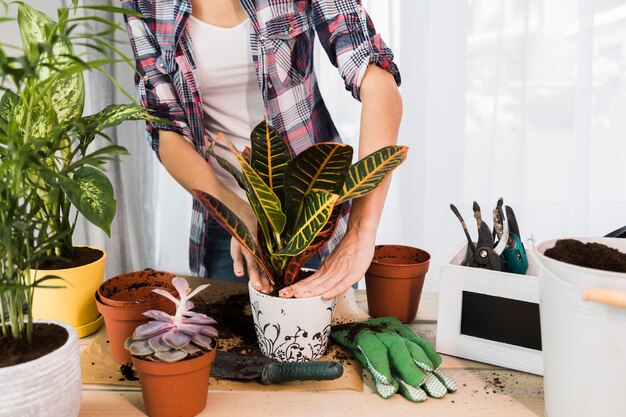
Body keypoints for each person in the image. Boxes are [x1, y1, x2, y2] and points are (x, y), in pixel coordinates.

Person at [120, 0, 402, 299]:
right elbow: (167, 128)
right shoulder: (144, 5)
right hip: (227, 216)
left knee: (326, 339)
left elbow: (377, 79)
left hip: (315, 216)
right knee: (229, 339)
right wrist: (238, 213)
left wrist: (361, 230)